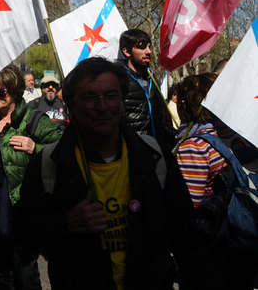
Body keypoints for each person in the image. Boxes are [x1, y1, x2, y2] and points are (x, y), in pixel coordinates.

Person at [16, 57, 217, 289]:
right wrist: (64, 223)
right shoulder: (48, 165)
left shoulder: (155, 158)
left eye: (111, 96)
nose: (102, 106)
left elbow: (187, 240)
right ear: (70, 106)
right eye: (90, 98)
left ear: (122, 103)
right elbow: (23, 238)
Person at [0, 64, 62, 289]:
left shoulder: (32, 118)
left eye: (0, 91)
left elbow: (61, 148)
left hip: (20, 206)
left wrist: (34, 147)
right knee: (1, 268)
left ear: (16, 90)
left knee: (26, 271)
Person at [175, 73, 257, 289]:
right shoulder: (239, 136)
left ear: (183, 103)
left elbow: (188, 207)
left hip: (213, 248)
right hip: (244, 241)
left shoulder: (193, 147)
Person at [117, 29, 174, 149]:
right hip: (132, 152)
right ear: (126, 51)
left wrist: (176, 136)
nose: (148, 51)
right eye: (142, 47)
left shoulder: (152, 77)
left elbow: (158, 118)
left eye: (149, 46)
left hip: (157, 150)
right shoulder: (117, 80)